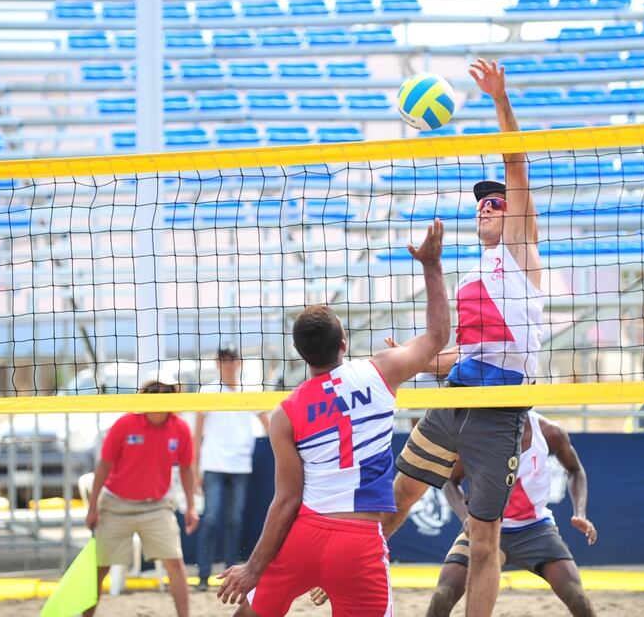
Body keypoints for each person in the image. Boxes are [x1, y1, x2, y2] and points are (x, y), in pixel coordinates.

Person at [217, 219, 450, 617]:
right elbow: (438, 336)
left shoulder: (284, 414)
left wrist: (253, 569)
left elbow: (286, 500)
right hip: (358, 540)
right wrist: (430, 265)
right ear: (344, 343)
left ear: (301, 355)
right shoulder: (380, 371)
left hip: (304, 534)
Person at [386, 58, 543, 617]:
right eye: (481, 201)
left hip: (500, 412)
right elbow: (467, 353)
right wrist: (406, 362)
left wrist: (500, 99)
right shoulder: (476, 275)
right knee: (394, 501)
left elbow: (516, 162)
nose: (487, 204)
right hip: (455, 398)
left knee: (483, 541)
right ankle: (353, 574)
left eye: (496, 201)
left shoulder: (522, 254)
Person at [428, 410, 596, 617]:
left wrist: (580, 512)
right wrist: (465, 517)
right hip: (485, 527)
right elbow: (450, 481)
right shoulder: (477, 433)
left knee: (577, 597)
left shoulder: (550, 432)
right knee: (442, 597)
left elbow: (575, 470)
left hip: (536, 529)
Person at [84, 374, 199, 617]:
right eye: (155, 390)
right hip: (116, 505)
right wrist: (93, 506)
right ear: (144, 394)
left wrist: (190, 506)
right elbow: (103, 466)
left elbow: (187, 468)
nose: (161, 395)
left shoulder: (179, 428)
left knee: (175, 564)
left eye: (167, 391)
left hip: (156, 507)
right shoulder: (125, 424)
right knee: (99, 568)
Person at [195, 345, 270, 592]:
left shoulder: (250, 389)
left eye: (232, 360)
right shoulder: (207, 390)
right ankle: (204, 574)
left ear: (238, 363)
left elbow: (269, 424)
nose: (228, 364)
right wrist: (195, 469)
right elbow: (197, 434)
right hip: (214, 464)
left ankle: (230, 570)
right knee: (212, 517)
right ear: (218, 364)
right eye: (223, 361)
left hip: (240, 464)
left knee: (235, 519)